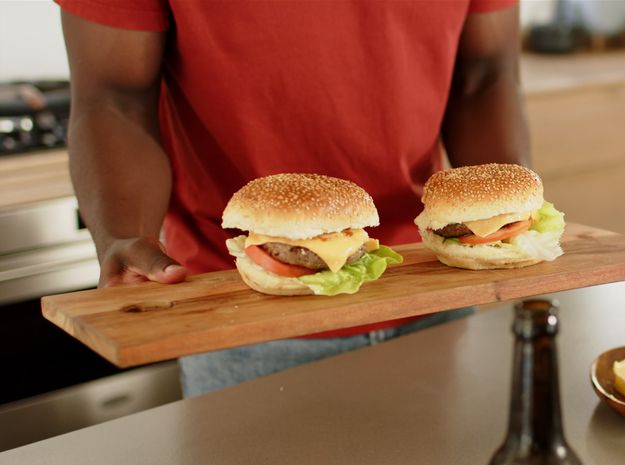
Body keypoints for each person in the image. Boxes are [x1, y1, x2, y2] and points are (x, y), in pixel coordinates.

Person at [56, 0, 530, 397]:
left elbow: (485, 73)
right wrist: (123, 233)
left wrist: (506, 215)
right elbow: (113, 96)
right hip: (243, 316)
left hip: (428, 284)